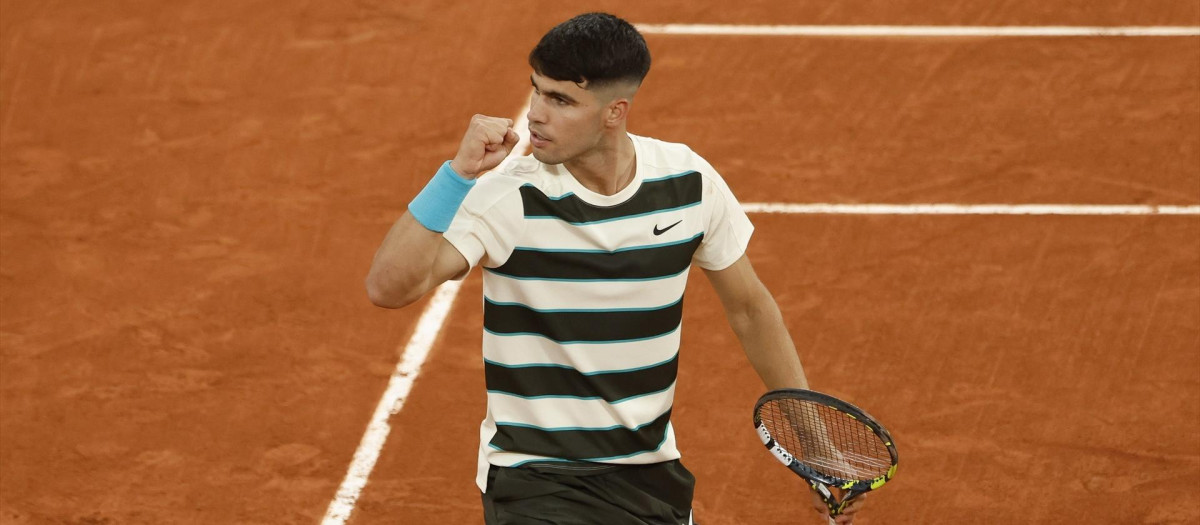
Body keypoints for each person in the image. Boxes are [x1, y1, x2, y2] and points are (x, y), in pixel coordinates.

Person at [366, 12, 865, 525]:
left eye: (560, 100)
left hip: (650, 476)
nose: (535, 114)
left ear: (614, 112)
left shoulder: (686, 184)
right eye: (536, 91)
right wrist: (457, 174)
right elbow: (388, 287)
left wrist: (816, 450)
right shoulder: (509, 194)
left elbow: (751, 310)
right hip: (535, 479)